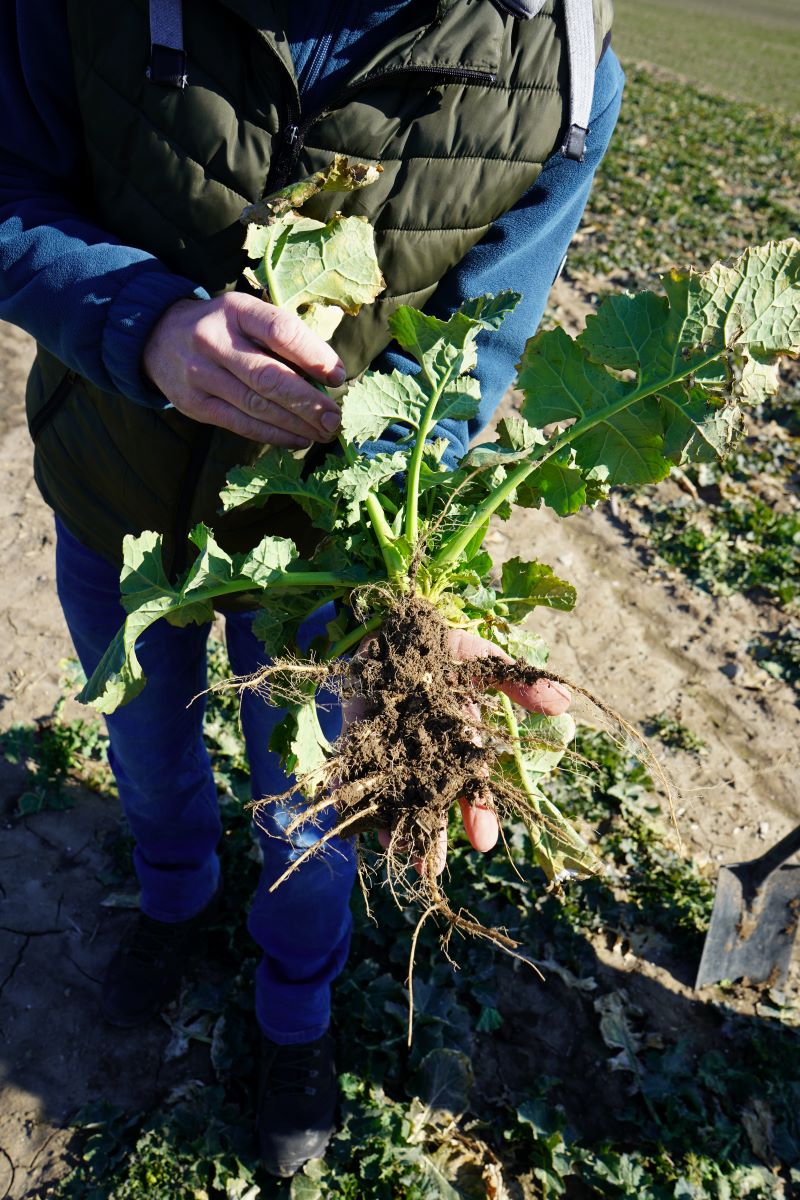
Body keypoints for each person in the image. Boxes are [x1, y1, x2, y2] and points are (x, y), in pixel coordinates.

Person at [0, 0, 624, 1178]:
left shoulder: (563, 62)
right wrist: (146, 326)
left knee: (313, 809)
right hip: (115, 495)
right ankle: (176, 904)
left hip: (322, 567)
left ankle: (296, 1012)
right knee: (145, 740)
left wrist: (399, 579)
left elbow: (474, 354)